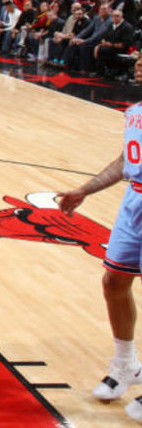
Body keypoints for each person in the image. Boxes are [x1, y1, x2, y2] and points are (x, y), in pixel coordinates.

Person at [57, 56, 142, 423]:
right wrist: (85, 189)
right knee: (113, 282)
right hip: (135, 202)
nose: (138, 64)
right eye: (138, 59)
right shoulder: (135, 111)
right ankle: (126, 365)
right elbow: (127, 160)